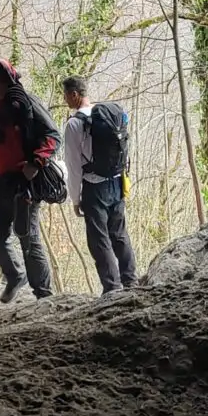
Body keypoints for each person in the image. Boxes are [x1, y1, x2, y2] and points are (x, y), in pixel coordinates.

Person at [0, 58, 58, 302]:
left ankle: (44, 296)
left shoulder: (26, 103)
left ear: (0, 81)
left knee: (28, 238)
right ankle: (15, 275)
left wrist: (36, 163)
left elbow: (52, 136)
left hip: (22, 185)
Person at [61, 76, 138, 294]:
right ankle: (131, 281)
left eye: (66, 95)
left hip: (94, 187)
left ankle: (112, 288)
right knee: (119, 233)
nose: (65, 99)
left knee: (99, 240)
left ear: (74, 94)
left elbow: (74, 167)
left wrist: (75, 199)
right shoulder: (108, 115)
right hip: (117, 181)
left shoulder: (75, 124)